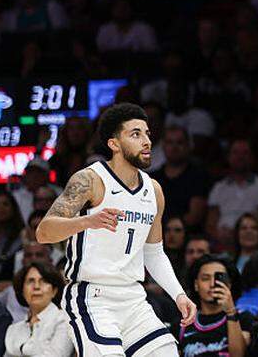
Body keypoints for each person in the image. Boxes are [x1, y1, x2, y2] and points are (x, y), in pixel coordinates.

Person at [36, 102, 198, 356]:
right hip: (92, 298)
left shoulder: (154, 190)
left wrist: (179, 294)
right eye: (136, 134)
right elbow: (43, 232)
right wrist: (87, 221)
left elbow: (154, 253)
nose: (146, 141)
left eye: (147, 134)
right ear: (114, 144)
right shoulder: (90, 179)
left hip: (134, 298)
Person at [178, 254, 251, 357]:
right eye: (205, 278)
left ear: (229, 284)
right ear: (196, 285)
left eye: (219, 279)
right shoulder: (183, 324)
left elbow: (238, 355)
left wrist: (230, 311)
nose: (212, 284)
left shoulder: (244, 318)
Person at [206, 139, 258, 245]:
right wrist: (219, 235)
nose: (240, 157)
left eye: (245, 153)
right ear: (228, 157)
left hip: (251, 242)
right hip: (221, 243)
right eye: (235, 152)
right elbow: (210, 225)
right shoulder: (218, 187)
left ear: (252, 157)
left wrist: (237, 235)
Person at [150, 126, 211, 230]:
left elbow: (195, 216)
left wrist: (169, 229)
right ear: (163, 146)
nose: (174, 147)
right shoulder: (152, 178)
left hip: (186, 233)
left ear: (188, 146)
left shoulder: (199, 176)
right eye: (169, 142)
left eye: (179, 142)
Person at [4, 260, 69, 356]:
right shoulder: (13, 329)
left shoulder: (64, 321)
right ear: (22, 291)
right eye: (31, 281)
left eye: (44, 281)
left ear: (54, 291)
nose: (36, 287)